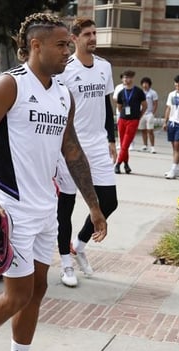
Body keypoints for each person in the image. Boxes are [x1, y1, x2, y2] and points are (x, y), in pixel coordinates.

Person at [0, 13, 107, 351]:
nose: (68, 51)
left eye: (69, 44)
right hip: (11, 205)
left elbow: (72, 151)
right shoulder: (10, 85)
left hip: (46, 207)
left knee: (38, 290)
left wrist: (93, 206)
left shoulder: (63, 94)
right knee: (18, 295)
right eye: (61, 45)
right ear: (36, 46)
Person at [54, 17, 117, 287]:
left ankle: (79, 245)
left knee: (109, 201)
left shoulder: (104, 66)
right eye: (87, 34)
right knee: (65, 206)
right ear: (74, 38)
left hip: (98, 144)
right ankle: (65, 263)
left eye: (95, 33)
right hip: (70, 145)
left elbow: (107, 105)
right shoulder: (65, 69)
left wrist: (112, 139)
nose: (93, 38)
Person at [114, 70, 146, 174]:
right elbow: (119, 107)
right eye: (124, 77)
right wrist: (123, 114)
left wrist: (139, 116)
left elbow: (144, 105)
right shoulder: (121, 92)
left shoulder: (138, 91)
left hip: (133, 120)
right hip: (122, 120)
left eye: (128, 77)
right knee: (123, 144)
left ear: (132, 79)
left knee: (125, 144)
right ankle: (126, 164)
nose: (126, 80)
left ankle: (118, 163)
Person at [137, 76, 158, 153]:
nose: (145, 85)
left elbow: (155, 104)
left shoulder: (153, 93)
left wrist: (153, 113)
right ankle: (145, 145)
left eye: (146, 83)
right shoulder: (140, 92)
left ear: (149, 84)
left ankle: (152, 147)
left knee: (150, 130)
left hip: (149, 114)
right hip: (142, 113)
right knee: (143, 130)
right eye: (143, 83)